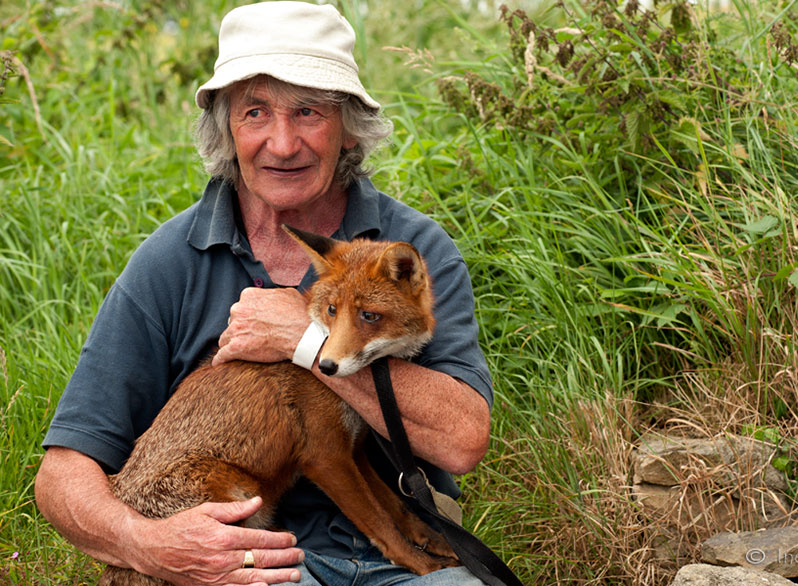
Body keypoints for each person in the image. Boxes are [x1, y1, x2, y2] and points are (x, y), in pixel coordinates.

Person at [34, 2, 493, 585]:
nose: (282, 143)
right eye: (256, 112)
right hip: (240, 562)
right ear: (227, 128)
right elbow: (61, 471)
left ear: (348, 126)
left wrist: (304, 340)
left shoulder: (411, 252)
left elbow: (461, 442)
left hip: (389, 561)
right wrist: (145, 543)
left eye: (308, 111)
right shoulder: (169, 261)